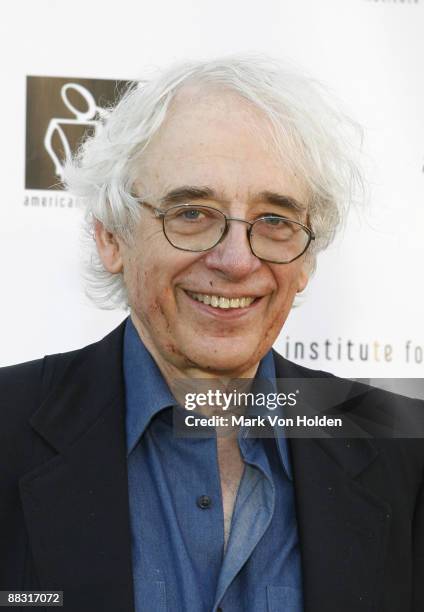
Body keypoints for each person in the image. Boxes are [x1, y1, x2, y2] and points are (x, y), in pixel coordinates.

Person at [1, 55, 423, 612]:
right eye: (193, 212)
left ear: (308, 260)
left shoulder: (403, 453)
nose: (235, 260)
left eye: (275, 220)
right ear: (111, 237)